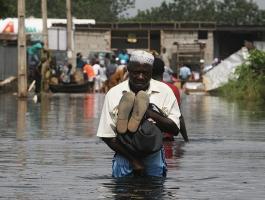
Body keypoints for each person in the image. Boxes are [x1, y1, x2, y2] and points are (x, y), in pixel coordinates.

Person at [97, 50, 181, 178]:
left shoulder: (165, 91)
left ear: (151, 72)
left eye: (145, 73)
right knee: (152, 191)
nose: (140, 77)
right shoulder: (114, 94)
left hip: (153, 152)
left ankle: (143, 113)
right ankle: (132, 117)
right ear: (128, 70)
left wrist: (149, 113)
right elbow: (106, 135)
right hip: (125, 154)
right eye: (136, 72)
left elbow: (175, 129)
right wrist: (133, 160)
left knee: (127, 191)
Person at [152, 57, 189, 142]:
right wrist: (186, 139)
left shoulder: (142, 88)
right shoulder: (173, 89)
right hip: (167, 139)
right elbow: (178, 116)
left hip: (147, 139)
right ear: (163, 71)